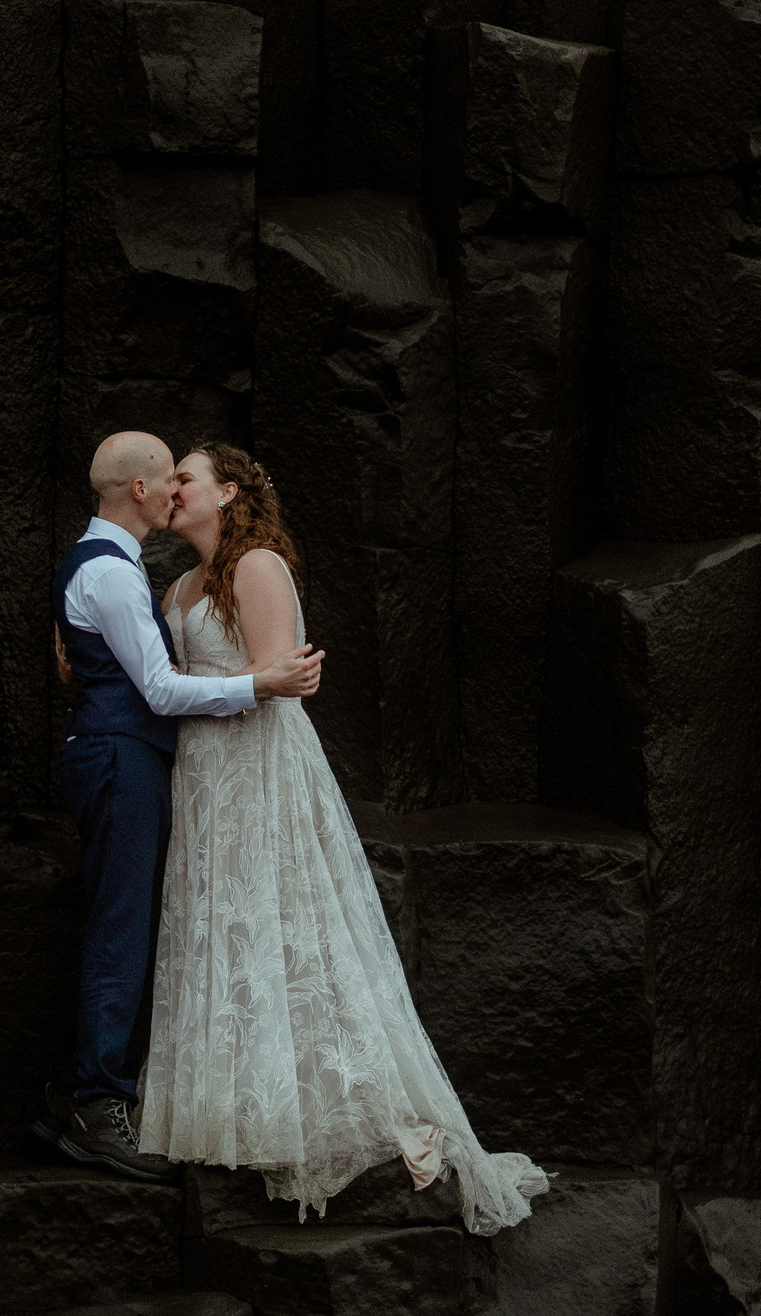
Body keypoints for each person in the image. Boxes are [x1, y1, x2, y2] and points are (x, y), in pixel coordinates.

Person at [142, 442, 547, 1235]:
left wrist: (191, 693)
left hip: (256, 768)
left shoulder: (255, 566)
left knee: (278, 924)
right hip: (201, 777)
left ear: (227, 491)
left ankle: (318, 1110)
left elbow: (273, 679)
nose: (175, 489)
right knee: (217, 927)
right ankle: (235, 1110)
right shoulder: (180, 585)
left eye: (187, 476)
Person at [35, 431, 326, 1183]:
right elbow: (161, 688)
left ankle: (86, 1091)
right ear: (142, 489)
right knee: (123, 925)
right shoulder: (113, 572)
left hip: (168, 761)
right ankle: (95, 1101)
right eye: (170, 478)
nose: (174, 491)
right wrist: (257, 684)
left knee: (133, 921)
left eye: (186, 478)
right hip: (126, 756)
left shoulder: (126, 570)